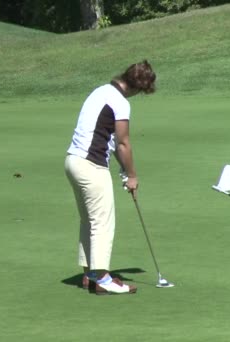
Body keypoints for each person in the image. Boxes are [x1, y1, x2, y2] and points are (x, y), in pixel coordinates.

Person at [64, 60, 156, 295]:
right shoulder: (120, 102)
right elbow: (124, 143)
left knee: (89, 221)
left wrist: (124, 172)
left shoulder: (101, 91)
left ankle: (89, 275)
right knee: (103, 223)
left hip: (73, 162)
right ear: (136, 87)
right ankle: (103, 278)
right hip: (91, 167)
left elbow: (112, 142)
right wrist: (132, 176)